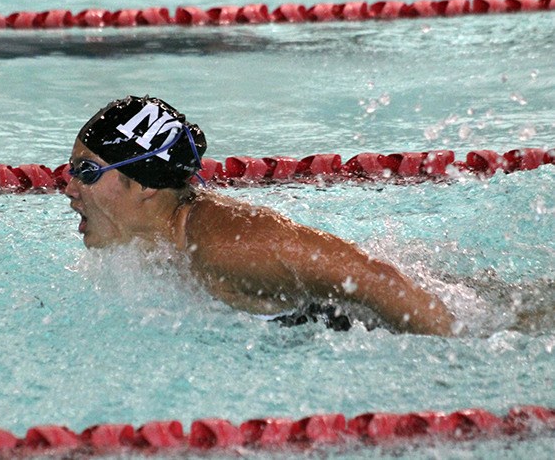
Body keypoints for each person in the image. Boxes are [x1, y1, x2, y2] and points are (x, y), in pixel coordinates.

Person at [65, 95, 458, 336]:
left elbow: (378, 280)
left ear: (145, 181)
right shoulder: (165, 242)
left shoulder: (226, 247)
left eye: (86, 172)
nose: (68, 189)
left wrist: (458, 354)